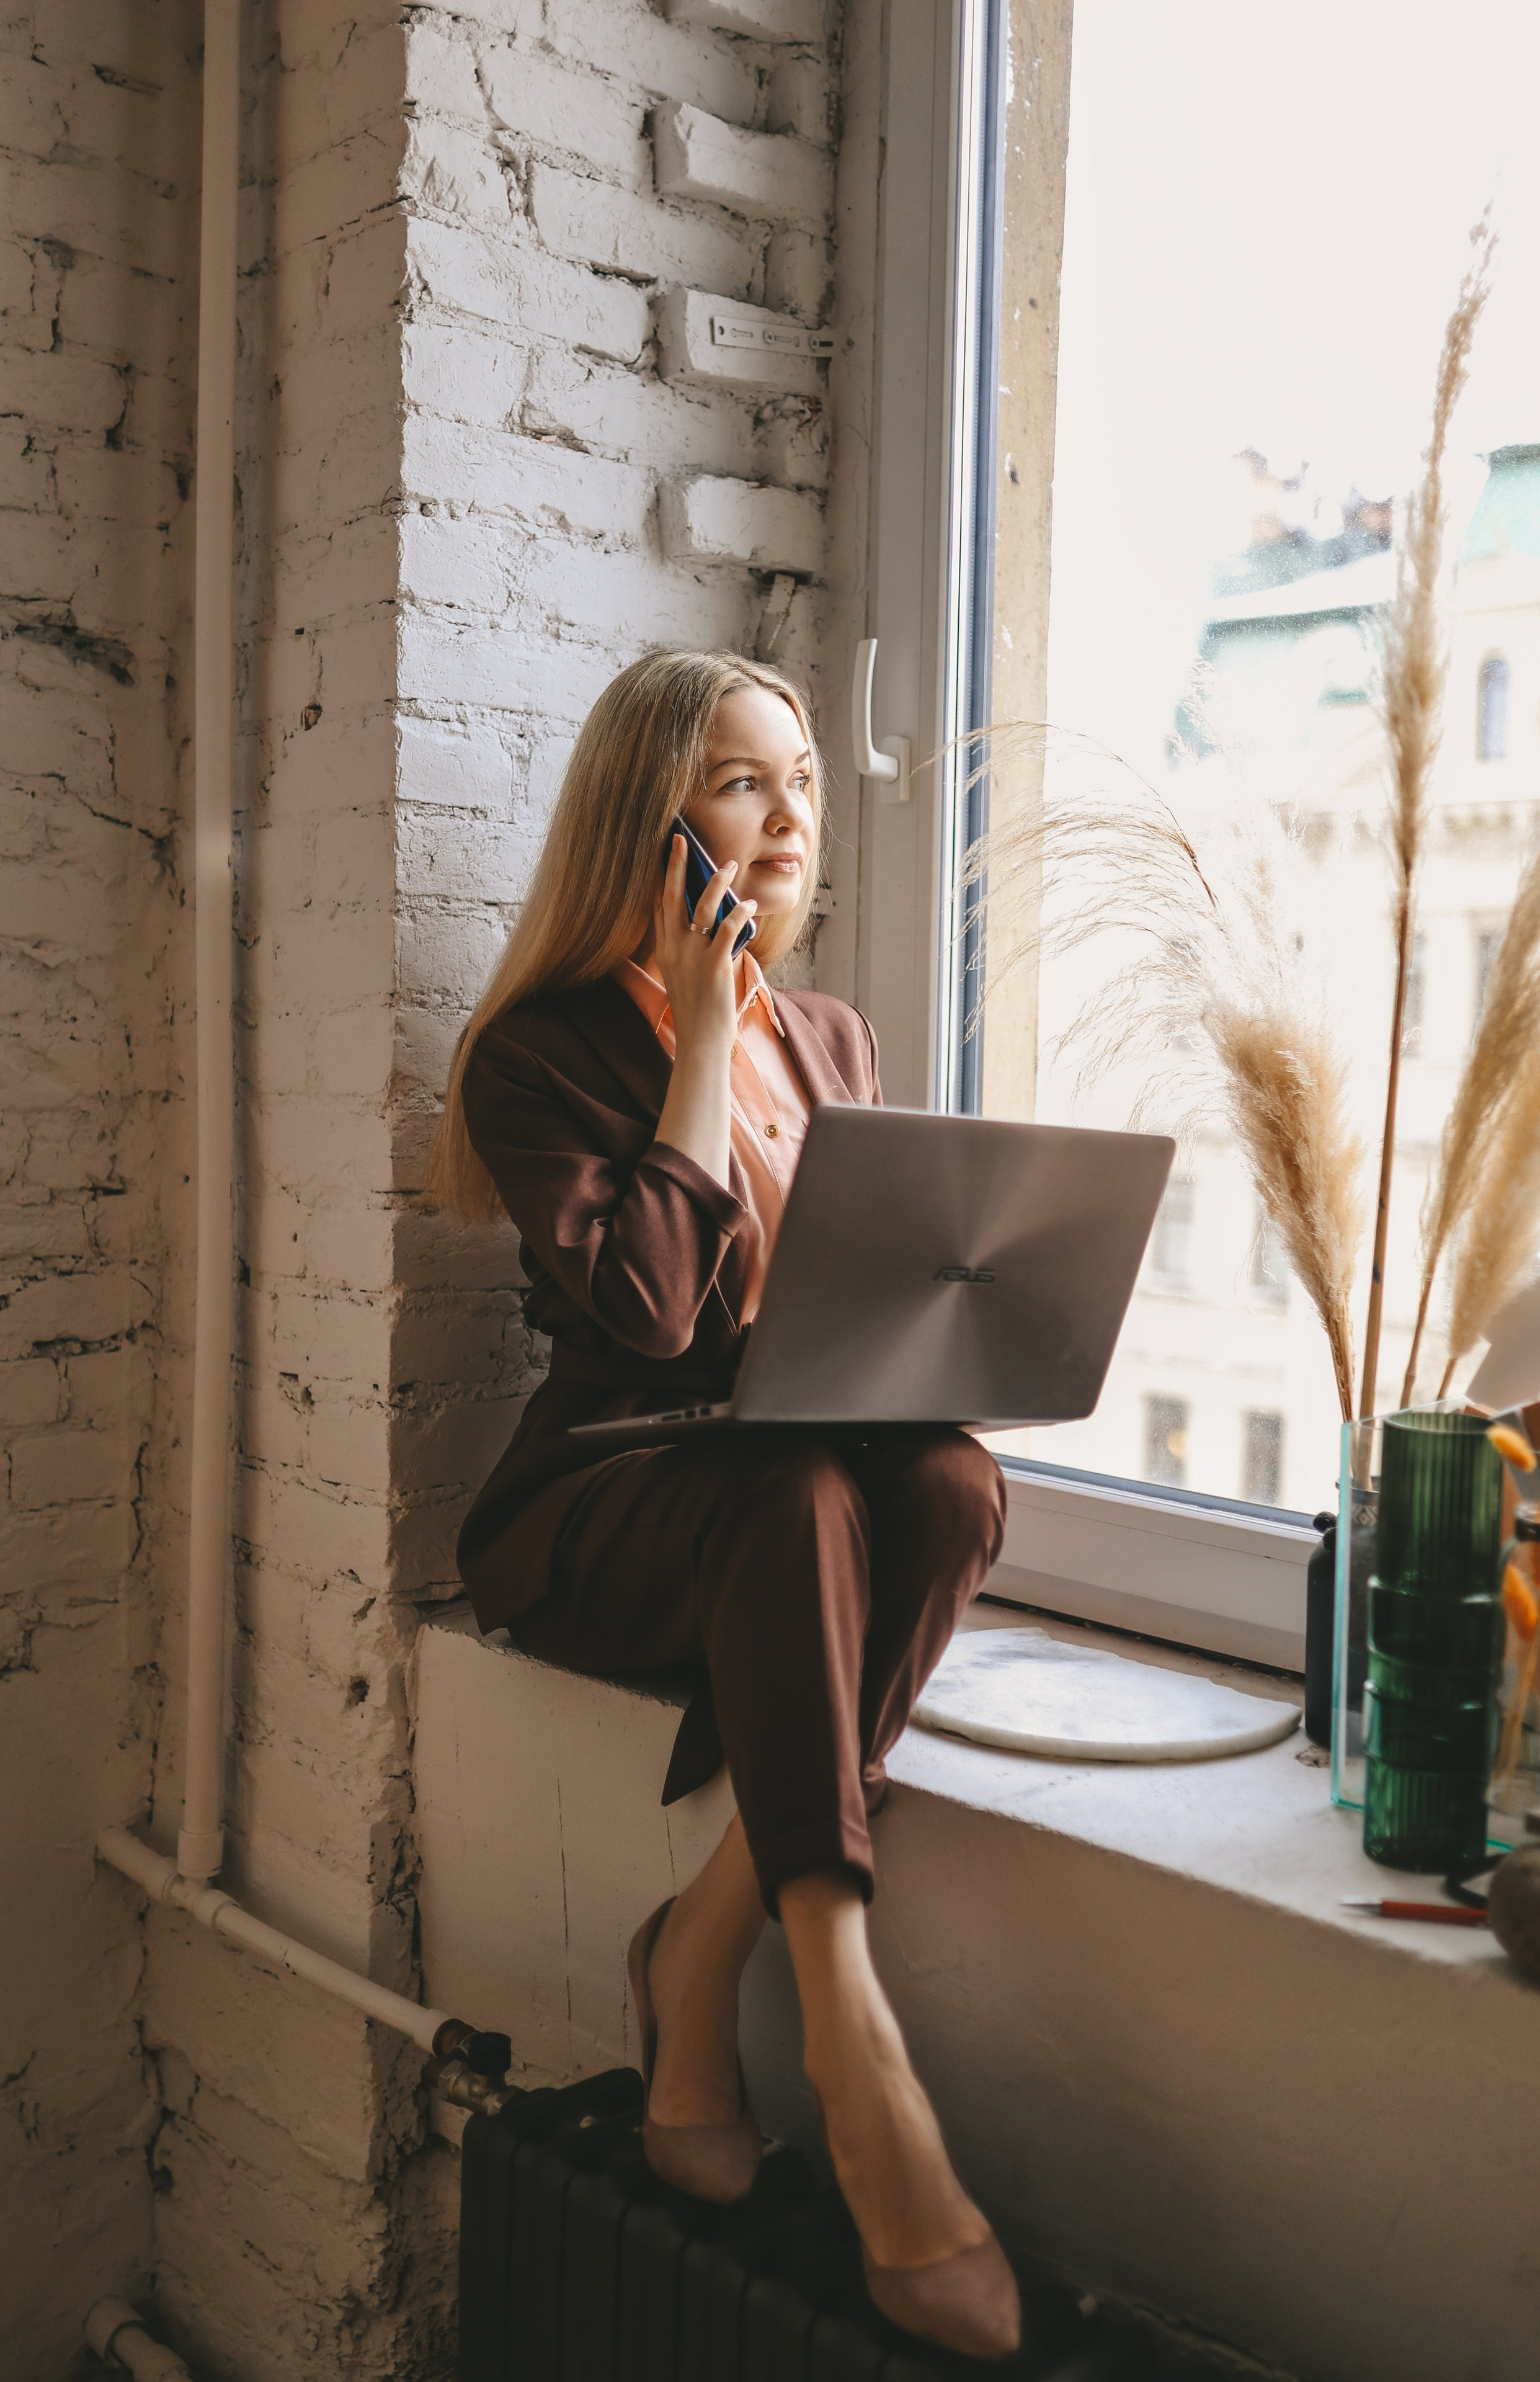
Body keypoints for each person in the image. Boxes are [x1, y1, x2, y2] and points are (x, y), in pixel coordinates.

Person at [426, 649, 1019, 2360]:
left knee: (955, 1484)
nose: (785, 822)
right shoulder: (533, 1057)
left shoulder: (834, 1040)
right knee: (800, 1500)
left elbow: (865, 1298)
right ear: (654, 818)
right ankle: (847, 2028)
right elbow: (657, 1320)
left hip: (796, 1480)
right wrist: (695, 1038)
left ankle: (700, 1947)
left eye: (805, 784)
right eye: (741, 783)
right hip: (615, 1495)